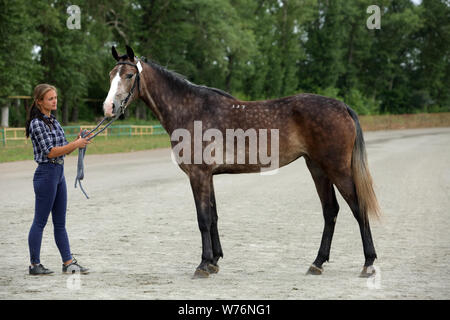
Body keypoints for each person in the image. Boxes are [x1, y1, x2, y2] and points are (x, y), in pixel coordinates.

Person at [25, 83, 91, 275]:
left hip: (58, 174)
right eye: (50, 98)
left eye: (55, 97)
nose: (55, 101)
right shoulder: (36, 123)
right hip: (46, 174)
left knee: (60, 223)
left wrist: (78, 140)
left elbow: (63, 146)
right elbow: (51, 152)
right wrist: (75, 144)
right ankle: (34, 264)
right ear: (39, 102)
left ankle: (68, 262)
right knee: (40, 222)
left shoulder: (53, 121)